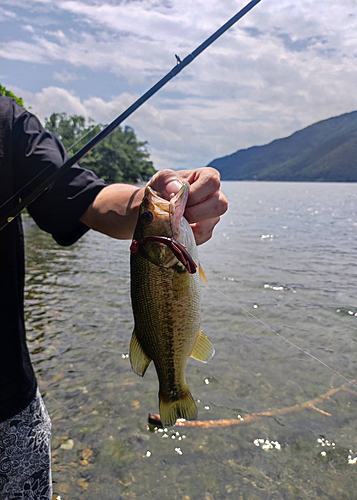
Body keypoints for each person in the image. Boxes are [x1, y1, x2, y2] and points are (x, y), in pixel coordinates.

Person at [0, 96, 228, 499]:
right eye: (150, 213)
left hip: (7, 410)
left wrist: (149, 199)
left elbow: (88, 198)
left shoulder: (6, 122)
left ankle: (172, 388)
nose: (151, 210)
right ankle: (172, 387)